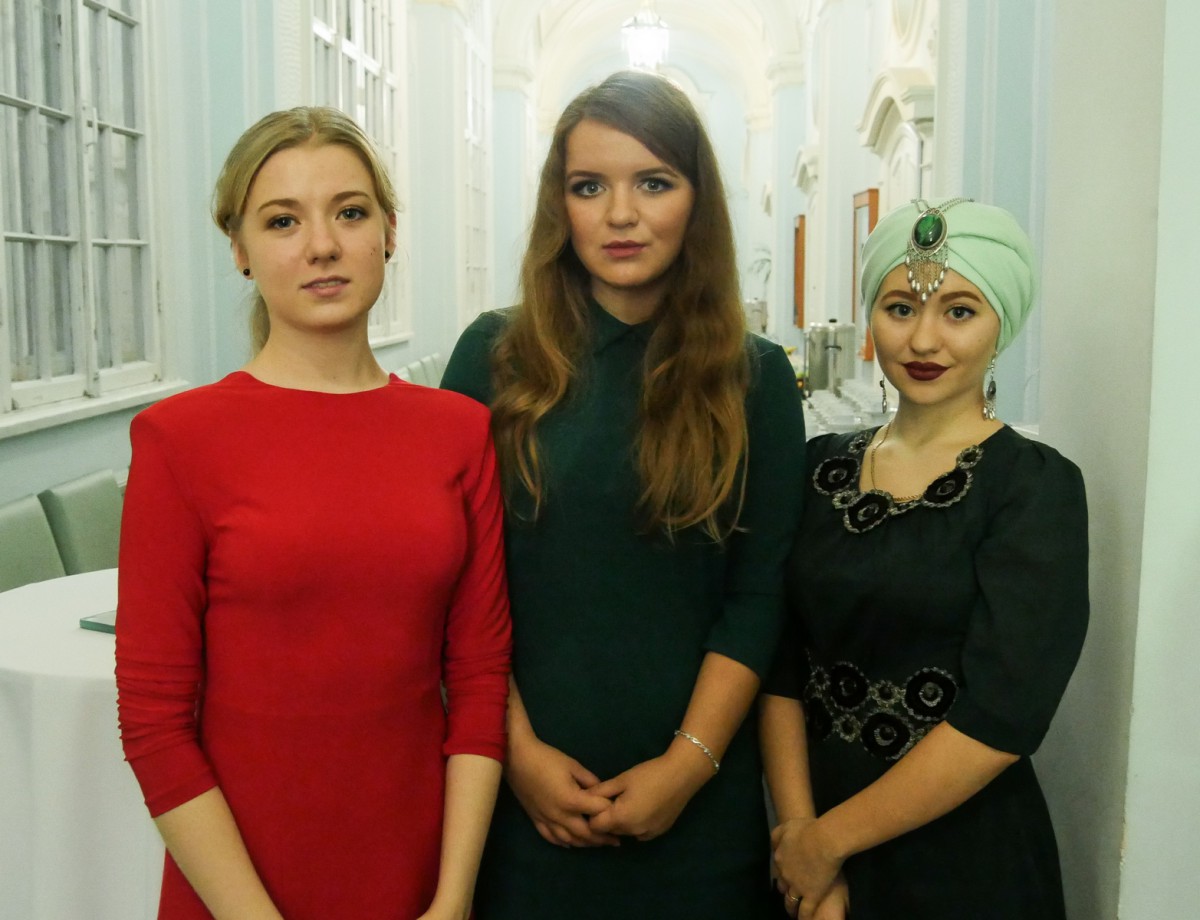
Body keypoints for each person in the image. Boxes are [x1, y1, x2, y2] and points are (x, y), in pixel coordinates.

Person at [115, 106, 511, 920]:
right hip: (237, 888)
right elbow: (154, 721)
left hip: (417, 872)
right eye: (283, 221)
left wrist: (452, 899)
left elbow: (478, 681)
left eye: (350, 212)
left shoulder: (459, 431)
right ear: (239, 249)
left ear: (389, 232)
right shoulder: (179, 440)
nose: (322, 245)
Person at [440, 70, 806, 919]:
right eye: (589, 186)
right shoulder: (492, 359)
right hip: (516, 801)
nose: (620, 214)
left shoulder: (754, 378)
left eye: (654, 182)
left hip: (698, 809)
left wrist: (686, 767)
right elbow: (456, 585)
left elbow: (757, 598)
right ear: (558, 206)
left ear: (696, 201)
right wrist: (514, 751)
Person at [761, 197, 1089, 920]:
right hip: (808, 846)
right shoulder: (817, 468)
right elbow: (779, 665)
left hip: (964, 861)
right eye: (901, 308)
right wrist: (798, 839)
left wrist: (828, 843)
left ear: (1002, 324)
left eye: (960, 311)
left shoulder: (1032, 487)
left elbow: (1005, 712)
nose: (924, 338)